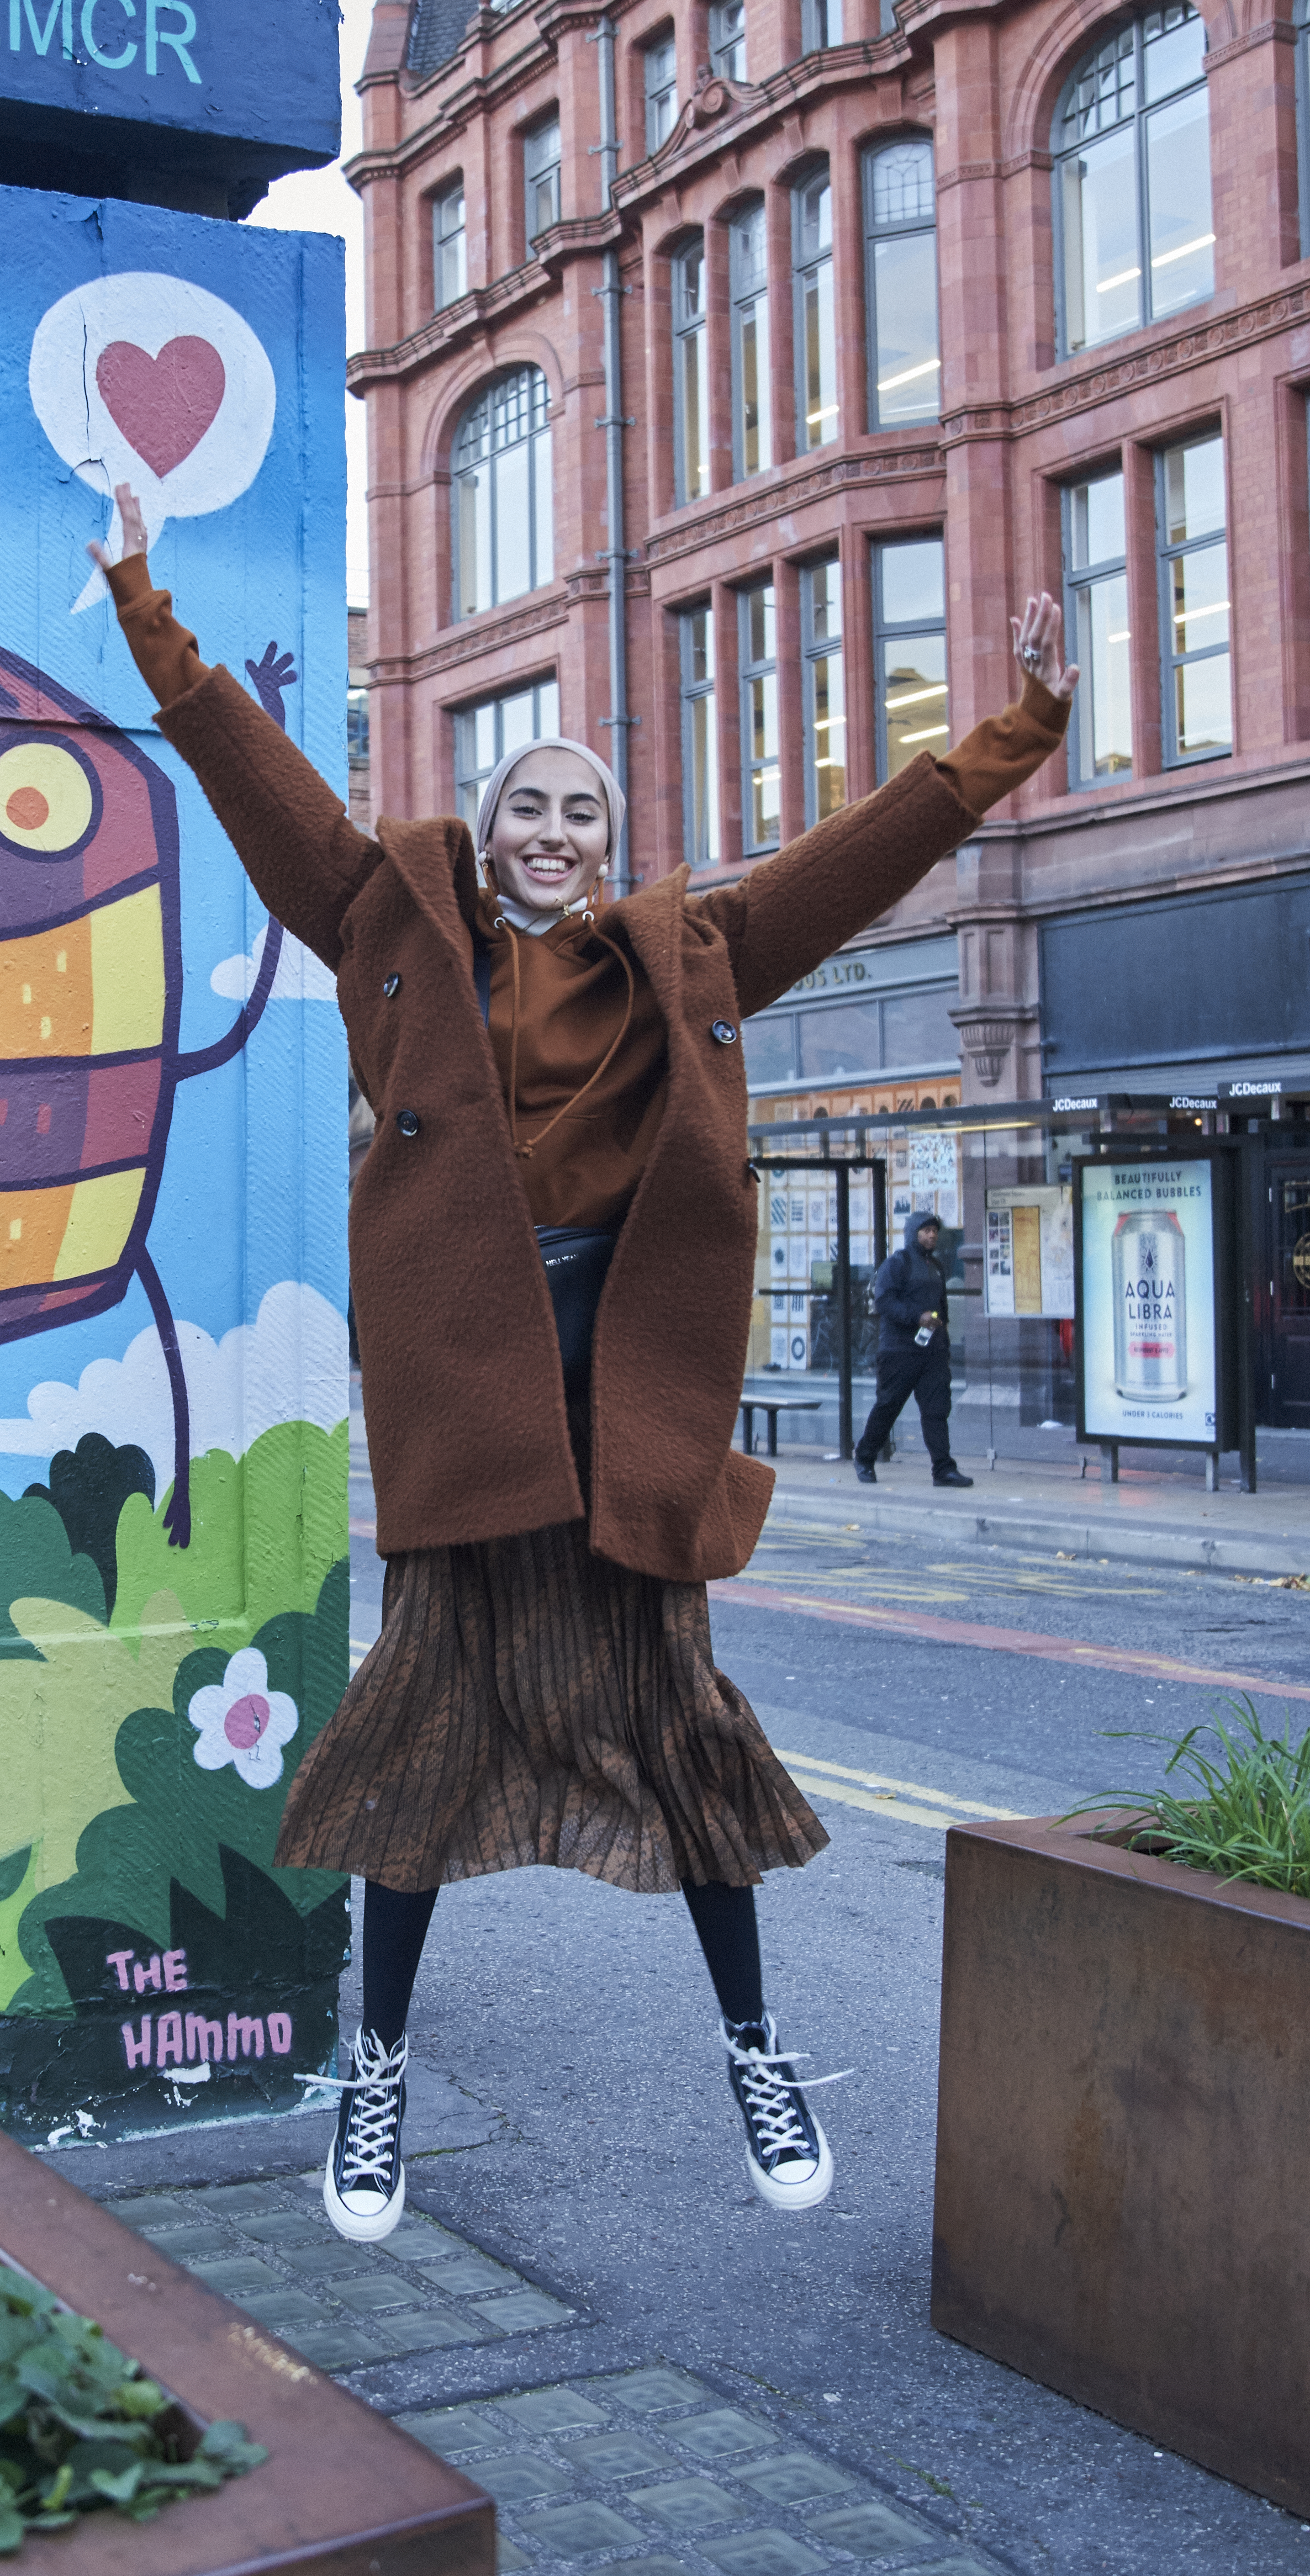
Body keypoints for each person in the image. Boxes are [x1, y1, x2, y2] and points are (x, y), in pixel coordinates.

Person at [92, 484, 1073, 2244]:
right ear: (487, 826)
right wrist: (144, 605)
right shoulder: (396, 924)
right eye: (529, 807)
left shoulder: (686, 955)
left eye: (584, 812)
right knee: (422, 1737)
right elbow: (264, 790)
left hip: (625, 1415)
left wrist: (1013, 737)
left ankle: (756, 2048)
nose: (555, 831)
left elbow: (853, 865)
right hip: (476, 1412)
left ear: (611, 841)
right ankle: (371, 2079)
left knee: (680, 1729)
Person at [855, 1212, 969, 1487]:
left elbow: (942, 1310)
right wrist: (916, 1316)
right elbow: (883, 1303)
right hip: (899, 1352)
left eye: (935, 1231)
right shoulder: (896, 1264)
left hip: (932, 1353)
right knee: (888, 1407)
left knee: (936, 1411)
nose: (932, 1236)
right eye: (926, 1231)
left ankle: (943, 1469)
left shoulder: (938, 1267)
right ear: (912, 1233)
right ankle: (865, 1457)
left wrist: (944, 1346)